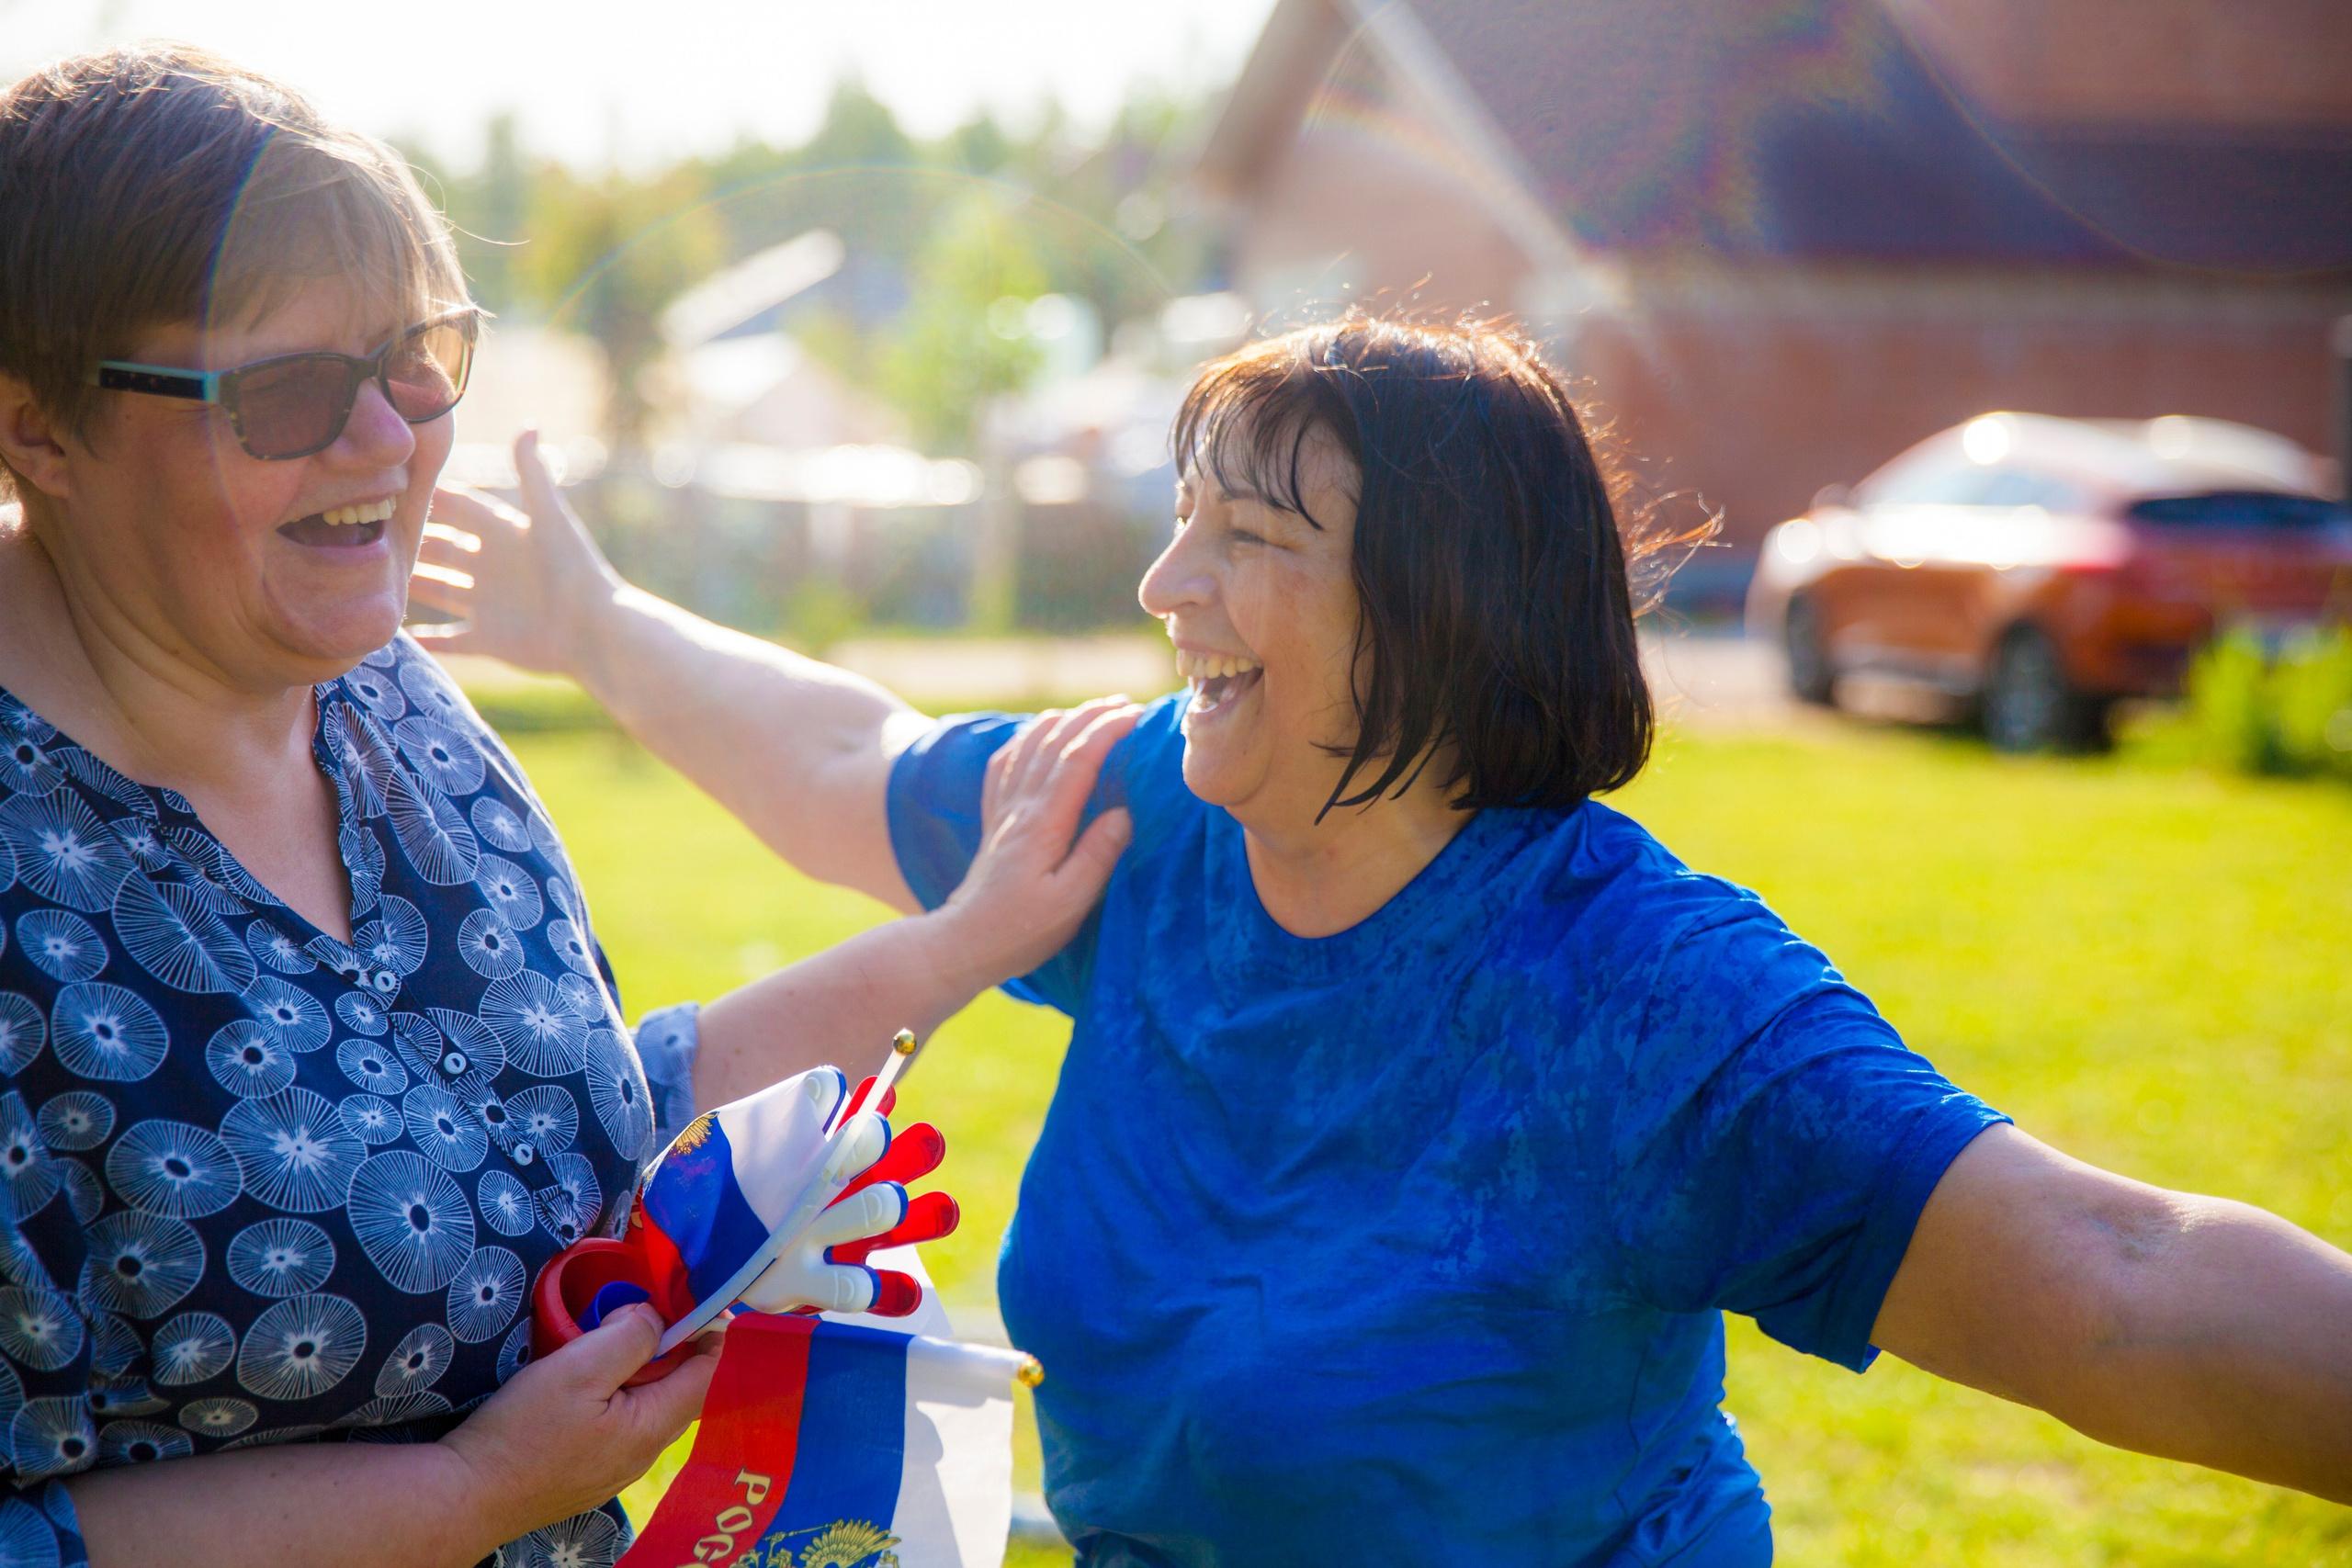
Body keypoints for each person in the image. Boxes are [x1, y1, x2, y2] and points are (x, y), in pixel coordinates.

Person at [428, 310, 2352, 1566]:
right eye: (1180, 520)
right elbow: (857, 757)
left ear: (1434, 610)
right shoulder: (1151, 818)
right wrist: (594, 626)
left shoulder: (1642, 997)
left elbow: (2111, 1270)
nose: (1162, 581)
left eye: (1246, 536)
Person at [0, 46, 1118, 1568]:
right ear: (37, 425)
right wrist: (457, 1499)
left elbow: (574, 1128)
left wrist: (962, 942)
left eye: (418, 358)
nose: (390, 440)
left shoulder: (388, 702)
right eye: (289, 393)